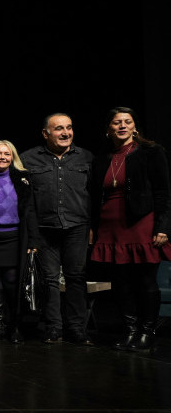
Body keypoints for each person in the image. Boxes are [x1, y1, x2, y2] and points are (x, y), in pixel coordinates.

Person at [89, 107, 170, 351]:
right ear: (108, 129)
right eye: (117, 122)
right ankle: (131, 330)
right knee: (121, 282)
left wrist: (162, 227)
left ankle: (147, 331)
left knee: (145, 280)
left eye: (127, 121)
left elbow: (163, 192)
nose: (122, 126)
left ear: (135, 127)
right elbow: (95, 196)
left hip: (141, 223)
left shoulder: (151, 152)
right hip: (110, 225)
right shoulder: (104, 158)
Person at [21, 113, 94, 345]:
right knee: (49, 279)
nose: (65, 133)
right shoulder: (28, 159)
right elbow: (25, 201)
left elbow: (94, 195)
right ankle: (54, 327)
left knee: (76, 277)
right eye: (59, 128)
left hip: (77, 226)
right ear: (46, 133)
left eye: (69, 128)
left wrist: (92, 226)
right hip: (44, 228)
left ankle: (77, 328)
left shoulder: (86, 157)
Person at [0, 140, 40, 343]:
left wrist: (33, 240)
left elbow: (30, 211)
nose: (2, 157)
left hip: (16, 239)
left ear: (13, 157)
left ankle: (15, 325)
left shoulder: (23, 178)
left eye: (7, 154)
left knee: (13, 284)